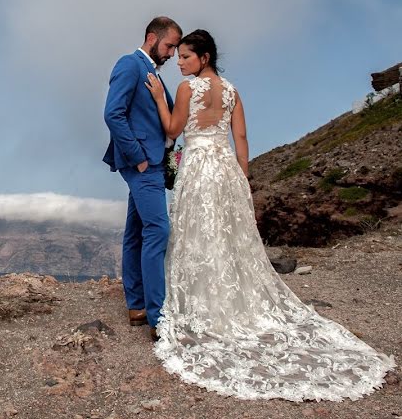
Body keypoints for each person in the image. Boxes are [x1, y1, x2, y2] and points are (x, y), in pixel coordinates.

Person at [144, 29, 395, 401]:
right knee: (229, 235)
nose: (179, 63)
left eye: (185, 57)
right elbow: (241, 137)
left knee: (200, 234)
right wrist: (244, 178)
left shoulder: (186, 90)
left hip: (198, 167)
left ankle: (208, 307)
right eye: (178, 57)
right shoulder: (231, 92)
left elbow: (172, 129)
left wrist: (157, 99)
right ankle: (234, 303)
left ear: (204, 58)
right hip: (227, 168)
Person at [103, 16, 182, 338]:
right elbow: (113, 113)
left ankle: (136, 305)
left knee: (135, 231)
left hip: (154, 163)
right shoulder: (130, 64)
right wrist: (138, 158)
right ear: (152, 38)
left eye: (176, 48)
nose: (173, 54)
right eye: (170, 46)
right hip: (143, 165)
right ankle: (158, 316)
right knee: (158, 229)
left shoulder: (152, 73)